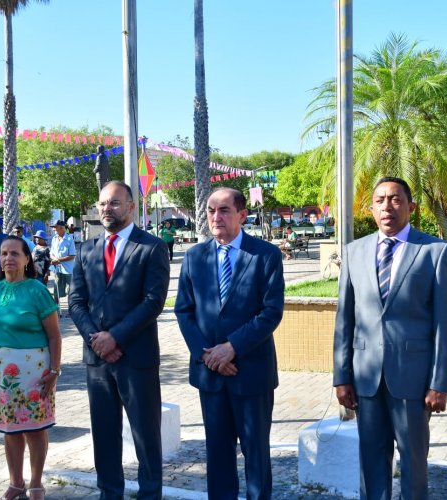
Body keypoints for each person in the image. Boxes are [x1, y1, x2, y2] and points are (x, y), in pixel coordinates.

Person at [333, 176, 447, 500]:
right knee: (371, 461)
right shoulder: (354, 252)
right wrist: (341, 376)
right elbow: (345, 319)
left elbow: (446, 323)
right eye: (380, 200)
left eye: (395, 199)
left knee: (414, 461)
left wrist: (439, 382)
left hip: (414, 381)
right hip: (367, 379)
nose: (387, 206)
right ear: (371, 208)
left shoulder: (435, 252)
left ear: (411, 207)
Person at [175, 187, 285, 500]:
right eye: (210, 210)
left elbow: (271, 312)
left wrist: (232, 347)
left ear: (242, 215)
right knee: (218, 455)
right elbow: (184, 311)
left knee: (256, 455)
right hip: (210, 374)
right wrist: (207, 355)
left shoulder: (266, 255)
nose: (215, 217)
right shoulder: (195, 256)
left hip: (250, 373)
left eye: (224, 210)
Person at [69, 181, 170, 500]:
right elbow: (75, 301)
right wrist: (95, 339)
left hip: (136, 358)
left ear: (130, 206)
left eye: (114, 203)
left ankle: (150, 494)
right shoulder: (86, 250)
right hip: (97, 361)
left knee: (146, 436)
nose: (106, 210)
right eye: (101, 204)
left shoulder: (151, 248)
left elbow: (153, 301)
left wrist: (115, 337)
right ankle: (108, 493)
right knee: (104, 434)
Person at [0, 236, 62, 500]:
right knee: (9, 428)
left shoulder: (36, 290)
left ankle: (36, 482)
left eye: (15, 253)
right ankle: (16, 482)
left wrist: (54, 370)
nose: (8, 258)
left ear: (27, 259)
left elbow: (54, 336)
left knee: (34, 428)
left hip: (32, 372)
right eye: (4, 253)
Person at [49, 220, 75, 311]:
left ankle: (70, 310)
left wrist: (59, 260)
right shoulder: (54, 238)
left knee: (69, 291)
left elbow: (72, 255)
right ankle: (56, 309)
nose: (54, 229)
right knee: (56, 290)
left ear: (61, 228)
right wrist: (54, 259)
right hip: (57, 269)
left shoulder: (69, 239)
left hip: (68, 270)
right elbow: (51, 253)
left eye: (55, 227)